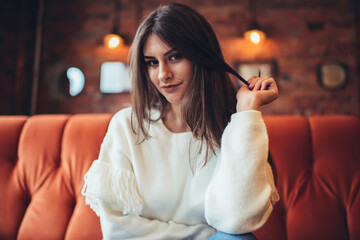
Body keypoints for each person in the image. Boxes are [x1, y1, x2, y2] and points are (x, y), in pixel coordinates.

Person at [82, 3, 280, 240]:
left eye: (174, 57)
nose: (163, 74)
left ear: (202, 57)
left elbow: (237, 220)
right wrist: (205, 234)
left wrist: (246, 112)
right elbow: (118, 230)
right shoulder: (127, 126)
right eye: (152, 62)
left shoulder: (235, 130)